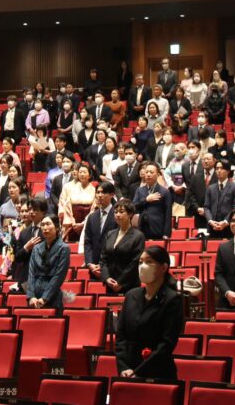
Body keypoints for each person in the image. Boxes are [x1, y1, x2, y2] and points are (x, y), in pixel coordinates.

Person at [115, 245, 183, 380]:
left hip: (157, 374)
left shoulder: (172, 300)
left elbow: (166, 344)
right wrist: (124, 368)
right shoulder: (131, 295)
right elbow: (121, 336)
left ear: (163, 268)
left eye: (149, 262)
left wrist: (137, 372)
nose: (142, 266)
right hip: (127, 373)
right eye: (140, 262)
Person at [100, 200, 146, 295]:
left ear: (130, 214)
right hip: (110, 284)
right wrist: (106, 278)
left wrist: (121, 282)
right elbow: (103, 259)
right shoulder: (110, 234)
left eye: (121, 212)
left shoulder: (138, 236)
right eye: (115, 212)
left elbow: (135, 262)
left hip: (129, 285)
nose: (117, 215)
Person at [25, 214, 70, 311]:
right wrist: (31, 296)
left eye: (48, 224)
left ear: (57, 227)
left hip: (52, 295)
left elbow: (59, 276)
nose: (45, 228)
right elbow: (31, 273)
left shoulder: (64, 248)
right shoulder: (36, 248)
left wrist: (45, 298)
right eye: (42, 225)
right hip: (35, 296)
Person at [133, 163, 172, 239]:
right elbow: (133, 207)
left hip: (158, 229)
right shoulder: (139, 190)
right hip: (142, 229)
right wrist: (146, 200)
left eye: (151, 172)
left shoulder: (165, 191)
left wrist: (166, 233)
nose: (148, 174)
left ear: (157, 174)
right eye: (146, 172)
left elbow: (168, 213)